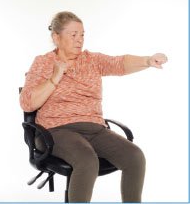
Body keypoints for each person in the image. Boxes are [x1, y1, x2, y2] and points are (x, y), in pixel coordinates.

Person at [19, 11, 167, 202]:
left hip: (95, 129)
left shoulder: (92, 60)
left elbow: (119, 63)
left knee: (135, 157)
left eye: (82, 35)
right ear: (56, 37)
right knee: (87, 160)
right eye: (73, 35)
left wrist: (147, 60)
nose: (79, 40)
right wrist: (54, 77)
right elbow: (27, 103)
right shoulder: (43, 62)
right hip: (55, 131)